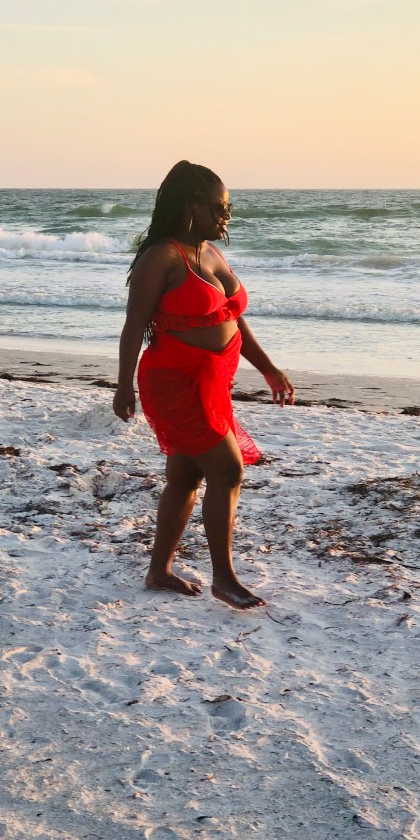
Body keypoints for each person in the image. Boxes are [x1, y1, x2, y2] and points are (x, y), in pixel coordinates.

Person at [113, 160, 294, 610]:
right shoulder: (162, 257)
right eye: (218, 207)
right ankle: (224, 580)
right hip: (173, 381)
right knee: (227, 470)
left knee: (185, 475)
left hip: (212, 382)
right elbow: (133, 325)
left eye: (228, 207)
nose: (226, 216)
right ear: (190, 205)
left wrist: (268, 368)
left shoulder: (210, 253)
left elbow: (232, 318)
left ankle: (159, 571)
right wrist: (122, 387)